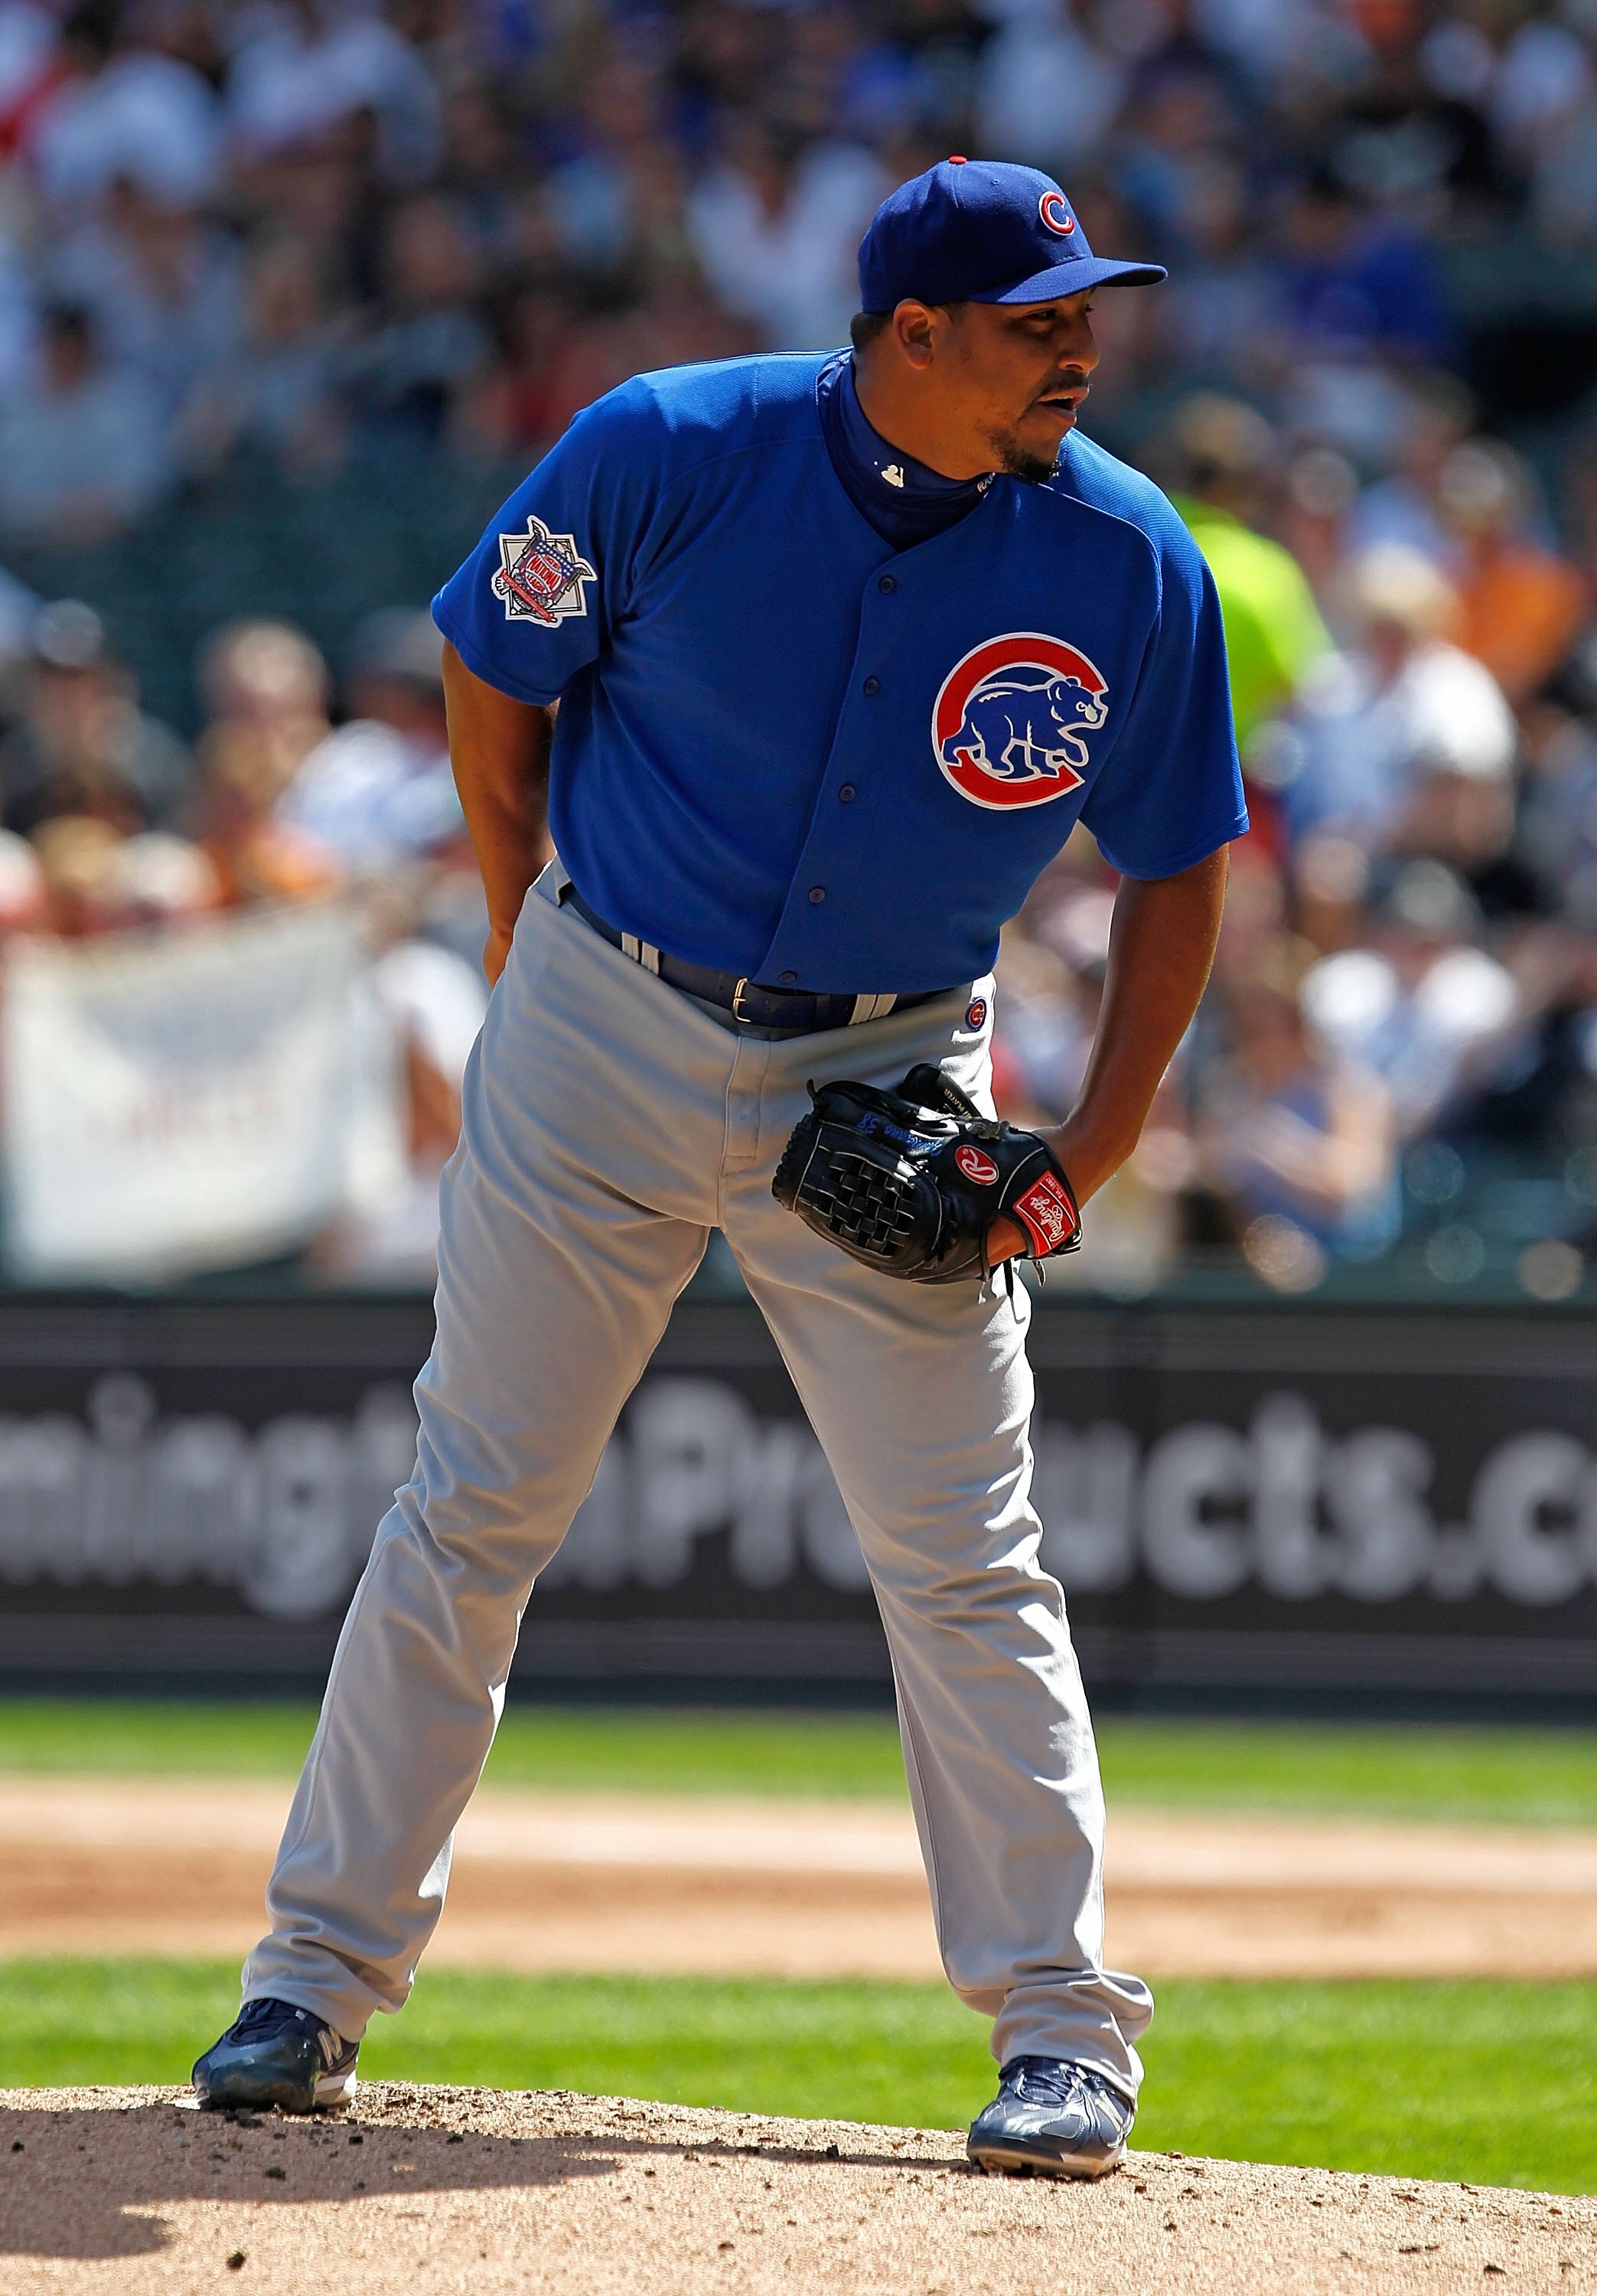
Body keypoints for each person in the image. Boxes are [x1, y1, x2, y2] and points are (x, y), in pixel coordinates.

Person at [194, 158, 1245, 2181]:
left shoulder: (1126, 556)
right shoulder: (666, 448)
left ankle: (1060, 2029)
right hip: (608, 1017)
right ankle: (309, 1983)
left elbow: (1181, 866)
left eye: (1086, 312)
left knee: (968, 1556)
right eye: (1039, 321)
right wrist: (532, 953)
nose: (1083, 349)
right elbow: (496, 695)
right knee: (475, 1506)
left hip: (897, 1059)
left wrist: (1089, 1141)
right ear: (907, 336)